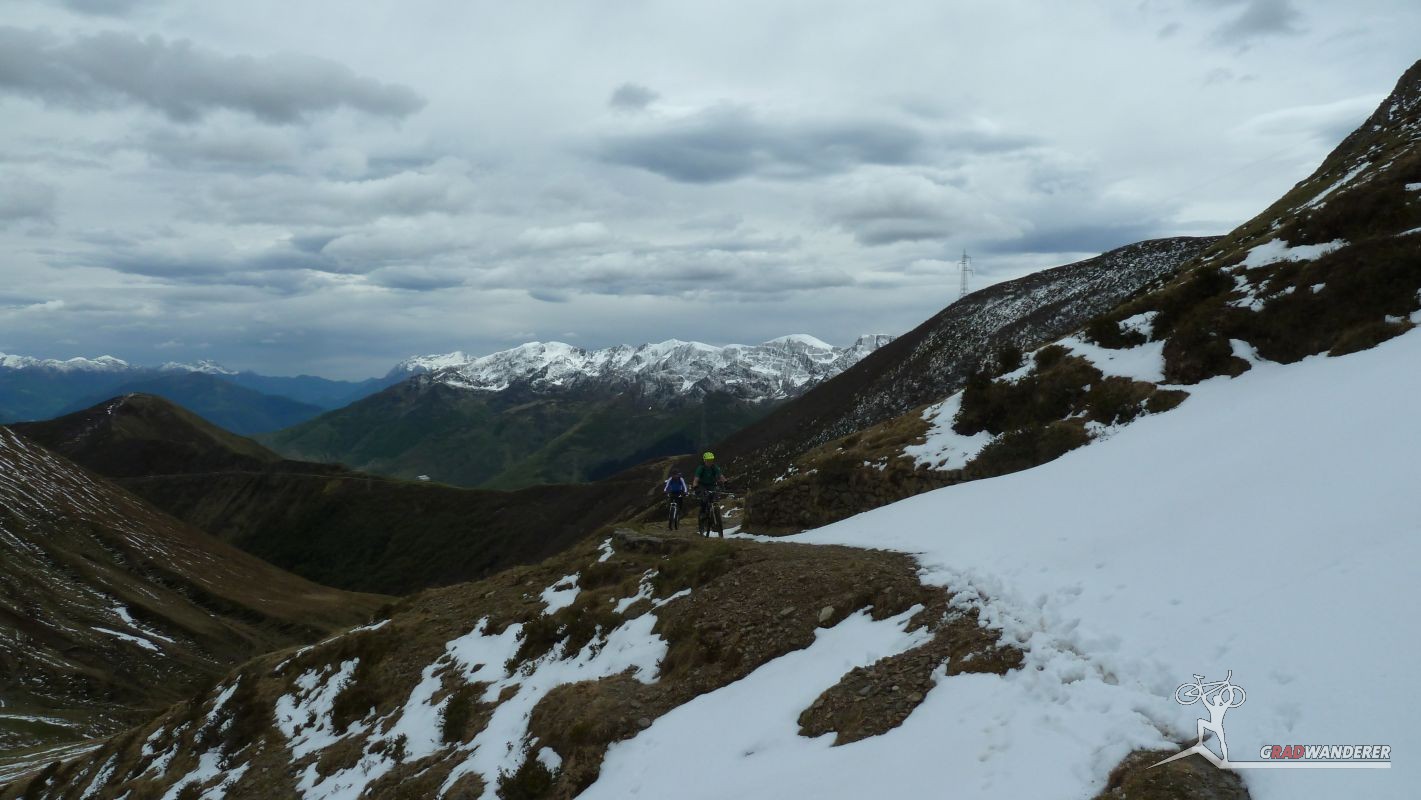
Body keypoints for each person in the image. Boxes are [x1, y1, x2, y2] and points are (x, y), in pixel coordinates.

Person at [691, 452, 729, 536]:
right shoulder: (701, 468)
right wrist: (695, 487)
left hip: (712, 485)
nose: (710, 462)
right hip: (702, 486)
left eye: (711, 460)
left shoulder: (714, 467)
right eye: (708, 460)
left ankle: (716, 519)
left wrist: (725, 482)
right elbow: (696, 479)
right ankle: (702, 515)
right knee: (704, 499)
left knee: (715, 499)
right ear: (704, 460)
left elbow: (720, 475)